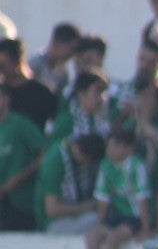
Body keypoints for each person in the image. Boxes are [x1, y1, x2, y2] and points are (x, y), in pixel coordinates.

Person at [79, 129, 151, 249]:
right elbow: (103, 200)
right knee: (91, 238)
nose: (109, 151)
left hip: (134, 216)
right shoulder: (106, 166)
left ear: (127, 148)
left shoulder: (137, 166)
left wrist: (145, 227)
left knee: (112, 239)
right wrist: (100, 225)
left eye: (113, 147)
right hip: (117, 215)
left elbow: (143, 200)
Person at [35, 133, 105, 233]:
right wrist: (87, 206)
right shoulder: (55, 162)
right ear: (79, 151)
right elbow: (52, 209)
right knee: (98, 221)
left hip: (77, 216)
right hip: (54, 223)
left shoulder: (75, 153)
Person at [0, 83, 46, 231]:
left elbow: (44, 154)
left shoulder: (20, 124)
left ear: (6, 99)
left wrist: (20, 177)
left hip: (21, 202)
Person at [0, 37, 59, 131]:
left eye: (2, 66)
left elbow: (57, 122)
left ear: (17, 62)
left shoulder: (42, 93)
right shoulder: (2, 93)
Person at [48, 69, 111, 143]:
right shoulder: (68, 121)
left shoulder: (103, 126)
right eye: (97, 92)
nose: (101, 98)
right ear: (82, 94)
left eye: (103, 92)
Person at [28, 22, 81, 95]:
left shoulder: (63, 74)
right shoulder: (35, 64)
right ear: (58, 43)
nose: (71, 55)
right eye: (71, 49)